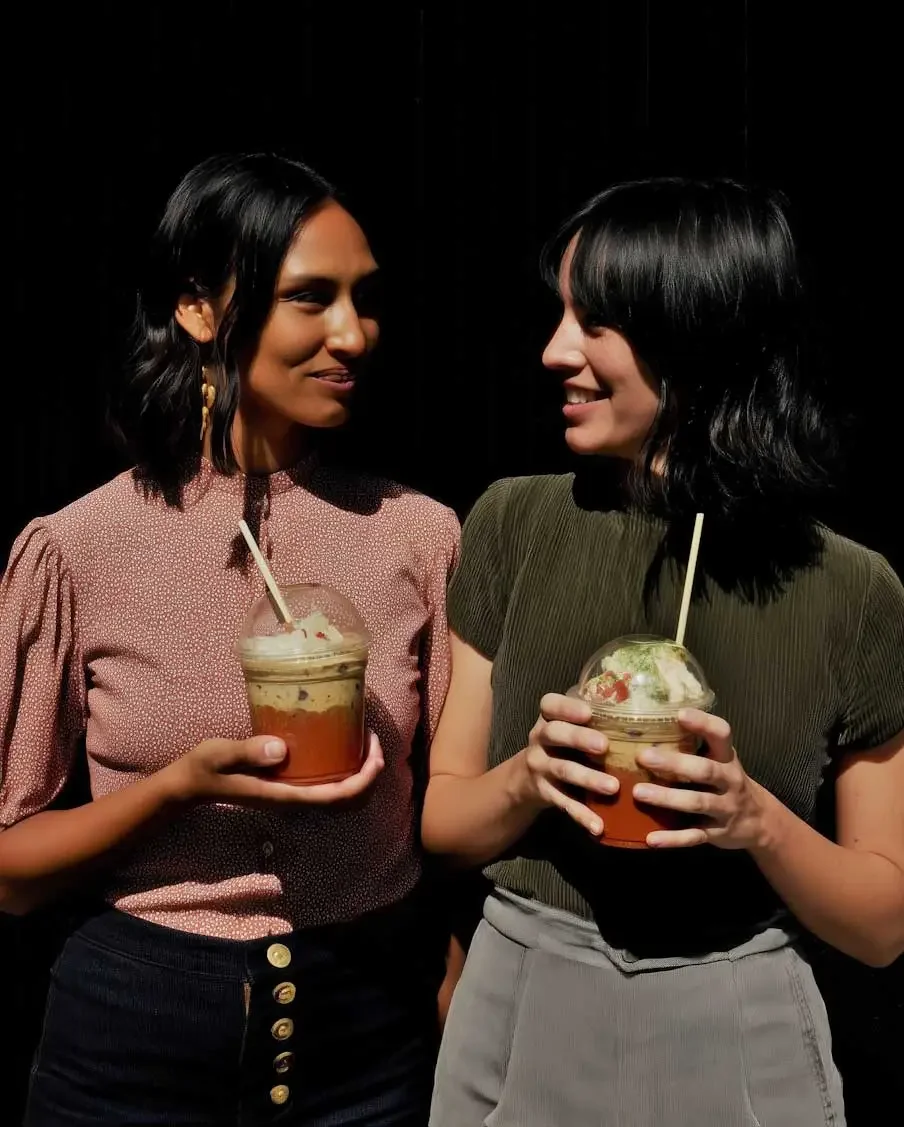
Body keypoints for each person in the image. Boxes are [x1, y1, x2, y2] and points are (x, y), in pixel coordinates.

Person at [423, 177, 904, 1126]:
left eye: (596, 321)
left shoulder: (854, 588)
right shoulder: (514, 522)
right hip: (523, 996)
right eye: (560, 314)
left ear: (699, 332)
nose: (554, 350)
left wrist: (754, 818)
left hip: (738, 1014)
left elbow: (883, 922)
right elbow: (444, 821)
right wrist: (529, 775)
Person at [0, 152, 461, 1126]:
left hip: (370, 1030)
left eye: (362, 299)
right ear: (200, 309)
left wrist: (453, 990)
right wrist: (176, 787)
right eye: (309, 298)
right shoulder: (77, 549)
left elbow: (459, 819)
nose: (352, 333)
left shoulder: (420, 536)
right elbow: (9, 866)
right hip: (133, 1038)